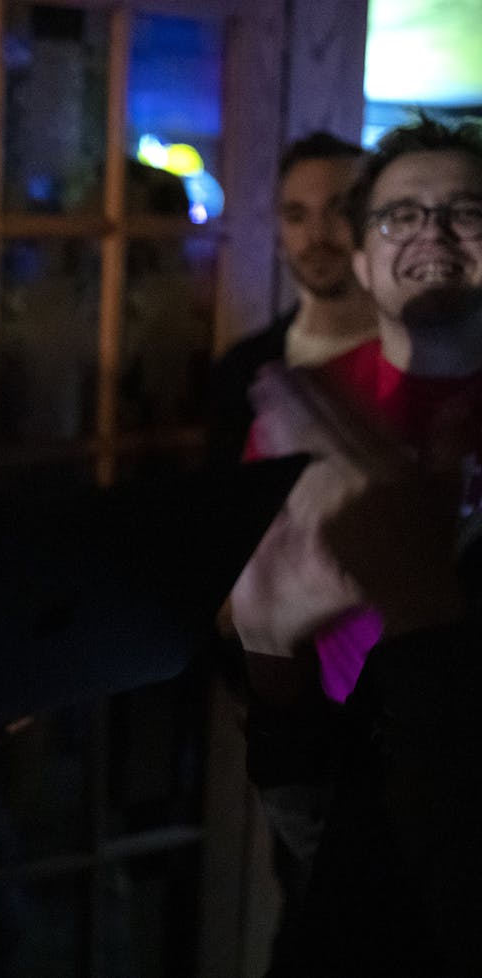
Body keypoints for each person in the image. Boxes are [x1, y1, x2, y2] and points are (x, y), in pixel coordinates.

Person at [230, 117, 482, 975]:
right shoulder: (310, 409)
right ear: (365, 259)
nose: (433, 234)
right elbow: (261, 625)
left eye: (465, 212)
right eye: (400, 216)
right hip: (332, 785)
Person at [206, 131, 374, 467]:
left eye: (339, 210)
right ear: (280, 234)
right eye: (297, 215)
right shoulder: (242, 370)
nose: (317, 235)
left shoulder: (418, 354)